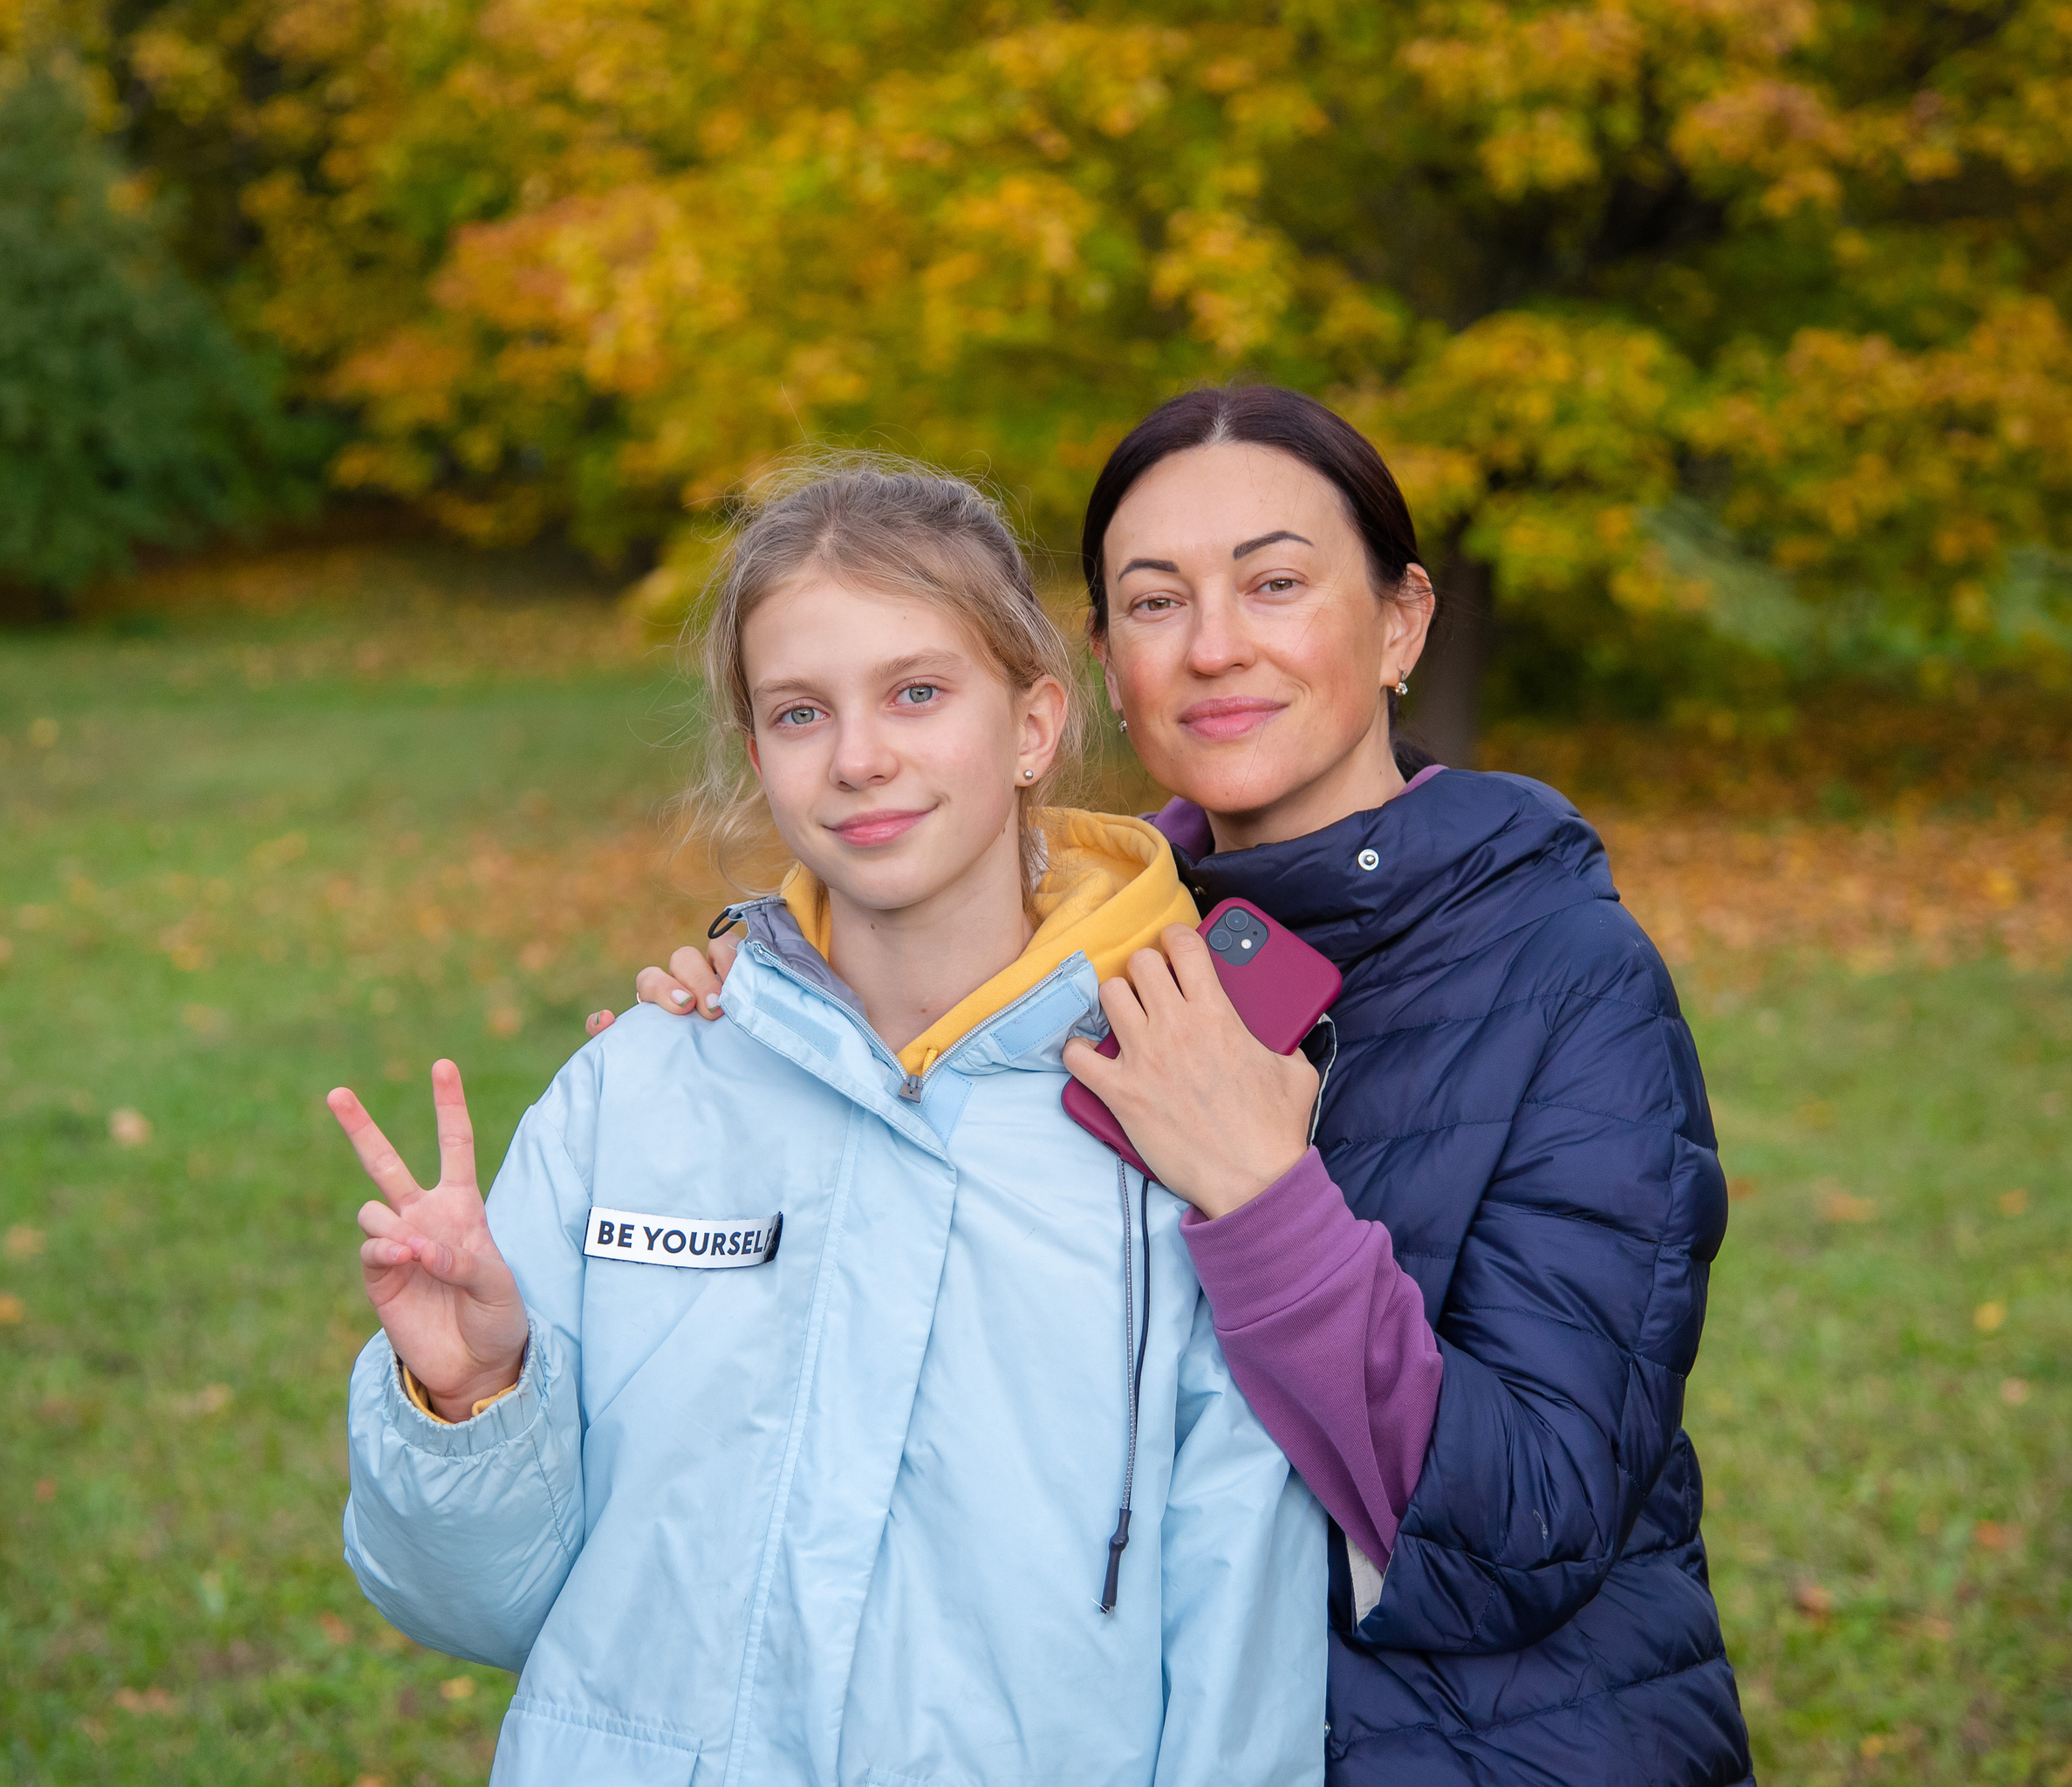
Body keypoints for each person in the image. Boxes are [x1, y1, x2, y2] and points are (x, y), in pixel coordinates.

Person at [621, 392, 1754, 1786]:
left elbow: (1532, 1528)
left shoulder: (1569, 974)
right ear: (1100, 664)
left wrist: (1267, 1198)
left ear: (1401, 622)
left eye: (1275, 583)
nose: (1215, 647)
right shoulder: (1074, 967)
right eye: (1156, 603)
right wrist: (772, 1013)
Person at [331, 461, 1332, 1786]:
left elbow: (1238, 1652)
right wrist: (468, 1399)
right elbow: (474, 1608)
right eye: (801, 712)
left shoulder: (1182, 1116)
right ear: (758, 754)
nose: (860, 757)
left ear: (1033, 725)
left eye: (917, 693)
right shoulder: (633, 1094)